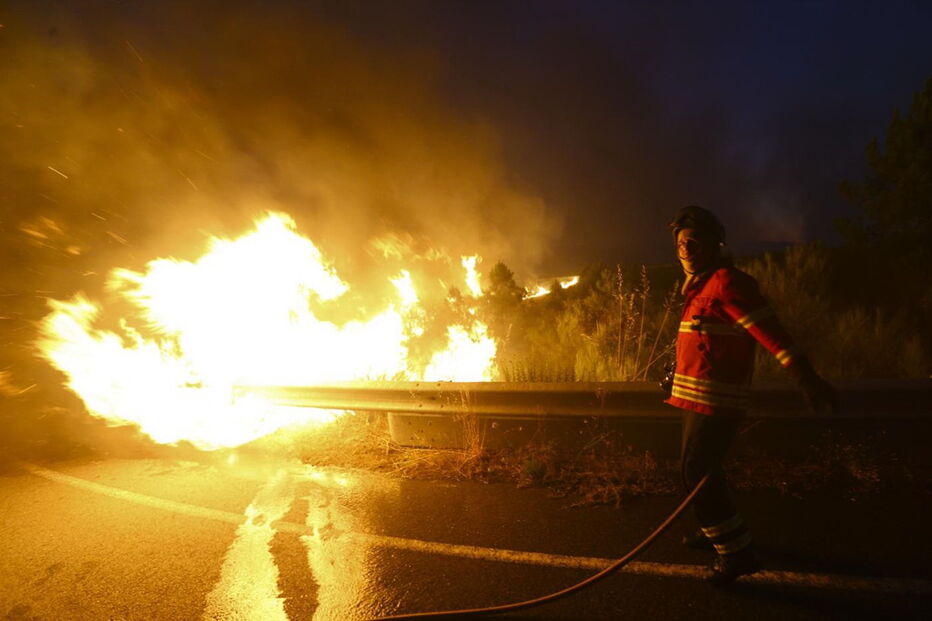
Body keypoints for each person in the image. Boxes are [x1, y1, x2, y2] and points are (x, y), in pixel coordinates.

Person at [665, 205, 838, 585]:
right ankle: (717, 534)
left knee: (695, 471)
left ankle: (735, 555)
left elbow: (772, 335)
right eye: (680, 243)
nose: (686, 248)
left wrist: (807, 379)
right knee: (701, 471)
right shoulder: (700, 286)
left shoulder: (727, 283)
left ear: (716, 244)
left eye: (695, 241)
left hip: (716, 401)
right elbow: (703, 342)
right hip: (694, 398)